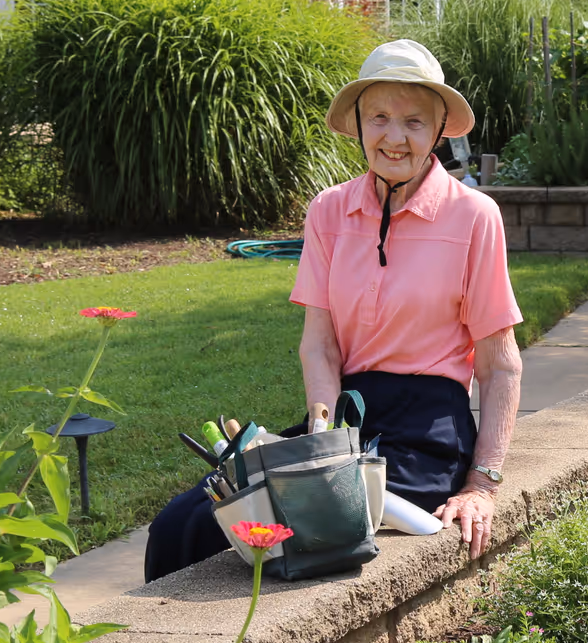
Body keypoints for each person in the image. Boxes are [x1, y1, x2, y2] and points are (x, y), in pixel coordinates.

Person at [144, 39, 523, 582]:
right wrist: (326, 443)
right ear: (360, 124)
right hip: (345, 419)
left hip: (425, 436)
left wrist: (481, 485)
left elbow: (499, 363)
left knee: (271, 524)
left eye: (415, 122)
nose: (395, 137)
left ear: (440, 130)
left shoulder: (474, 216)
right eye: (380, 118)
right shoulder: (328, 210)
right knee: (181, 521)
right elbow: (319, 343)